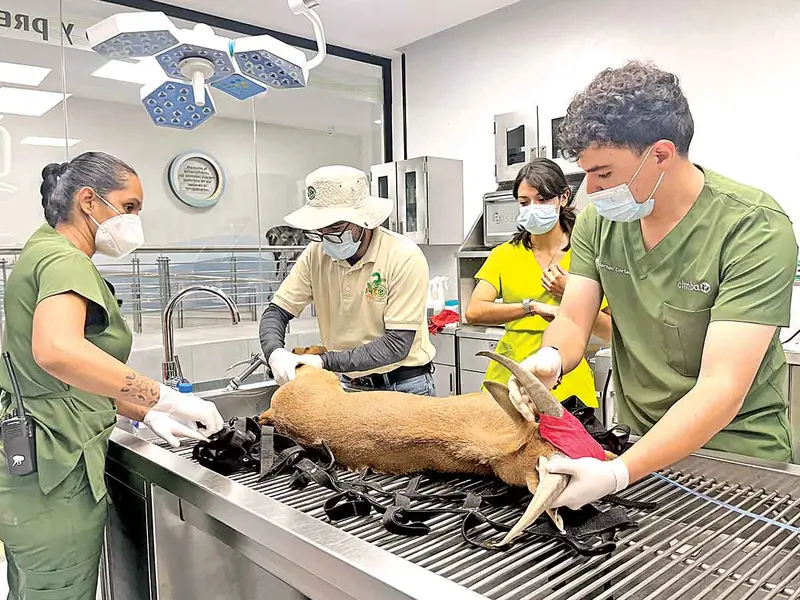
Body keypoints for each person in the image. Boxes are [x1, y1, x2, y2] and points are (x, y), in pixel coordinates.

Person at [507, 61, 798, 510]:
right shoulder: (598, 224)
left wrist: (618, 474)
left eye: (603, 174)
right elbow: (572, 318)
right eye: (585, 174)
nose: (591, 190)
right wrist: (551, 358)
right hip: (639, 440)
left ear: (660, 154)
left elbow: (722, 385)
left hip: (736, 453)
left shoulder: (753, 227)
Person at [0, 152, 224, 600]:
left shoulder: (42, 248)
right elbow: (58, 352)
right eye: (129, 207)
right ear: (88, 200)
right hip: (57, 469)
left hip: (35, 467)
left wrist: (143, 411)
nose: (135, 221)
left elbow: (64, 378)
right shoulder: (66, 261)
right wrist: (165, 398)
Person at [260, 165, 437, 395]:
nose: (327, 236)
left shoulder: (403, 256)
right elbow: (276, 312)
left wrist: (324, 361)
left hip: (403, 386)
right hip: (348, 385)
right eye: (319, 228)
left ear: (364, 220)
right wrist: (275, 353)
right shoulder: (316, 254)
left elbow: (396, 345)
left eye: (335, 226)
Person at [465, 158, 611, 408]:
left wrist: (570, 293)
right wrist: (529, 307)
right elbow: (474, 312)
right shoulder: (505, 255)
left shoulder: (585, 255)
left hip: (566, 379)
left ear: (564, 198)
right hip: (509, 378)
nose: (533, 207)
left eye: (543, 200)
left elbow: (609, 331)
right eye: (524, 202)